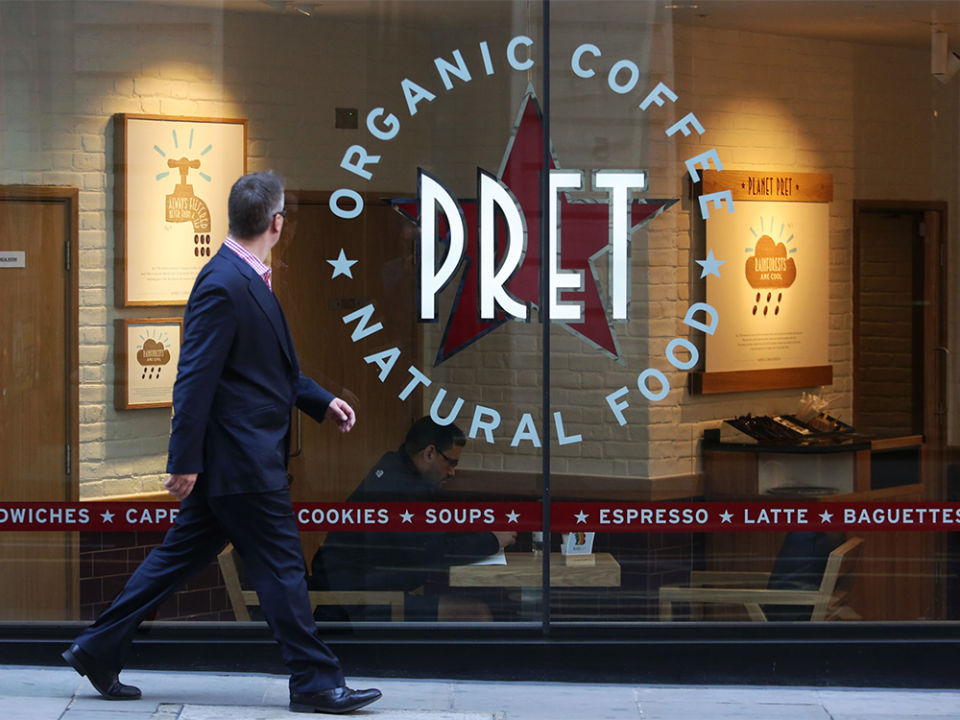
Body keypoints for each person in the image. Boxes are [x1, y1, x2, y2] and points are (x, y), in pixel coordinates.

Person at [62, 171, 381, 715]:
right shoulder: (224, 282)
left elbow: (260, 371)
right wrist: (182, 461)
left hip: (235, 463)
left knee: (174, 559)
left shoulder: (244, 275)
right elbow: (192, 379)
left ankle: (96, 648)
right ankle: (314, 682)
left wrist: (319, 400)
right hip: (242, 462)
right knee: (283, 568)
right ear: (277, 223)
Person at [312, 417, 517, 621]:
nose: (452, 472)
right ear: (429, 453)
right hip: (353, 604)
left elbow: (429, 540)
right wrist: (492, 541)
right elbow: (434, 553)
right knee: (475, 613)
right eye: (451, 462)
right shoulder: (401, 489)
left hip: (353, 591)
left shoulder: (396, 468)